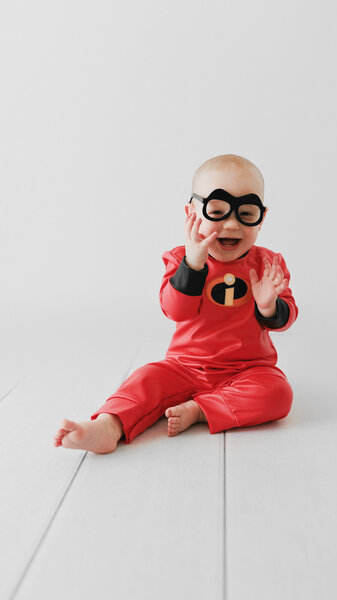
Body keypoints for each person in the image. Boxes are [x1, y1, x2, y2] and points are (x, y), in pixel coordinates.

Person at [53, 153, 298, 454]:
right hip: (184, 365)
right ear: (191, 213)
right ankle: (107, 426)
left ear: (262, 218)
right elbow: (175, 310)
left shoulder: (268, 264)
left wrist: (269, 306)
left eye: (246, 214)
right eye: (218, 211)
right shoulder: (179, 258)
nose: (232, 225)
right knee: (145, 379)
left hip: (248, 369)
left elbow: (286, 317)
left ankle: (199, 409)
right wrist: (192, 266)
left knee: (279, 393)